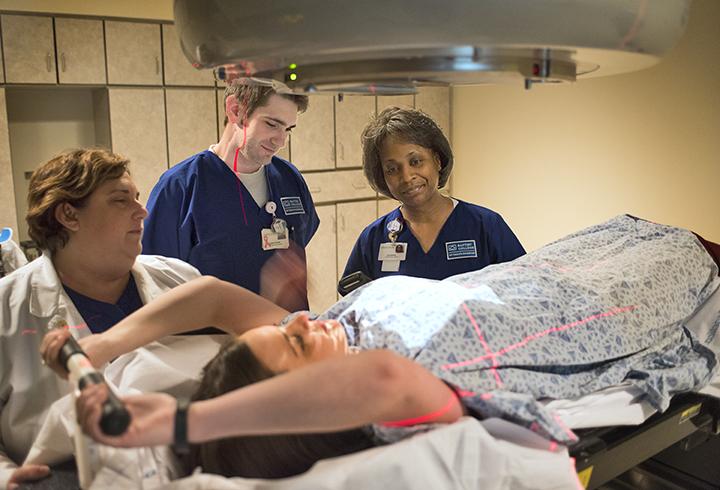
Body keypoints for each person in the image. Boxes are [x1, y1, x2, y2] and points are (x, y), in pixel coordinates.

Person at [43, 215, 720, 480]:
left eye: (285, 332)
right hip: (620, 298)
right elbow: (387, 382)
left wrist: (104, 345)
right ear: (315, 403)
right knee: (682, 251)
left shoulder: (332, 326)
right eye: (296, 348)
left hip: (550, 269)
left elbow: (216, 297)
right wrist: (187, 422)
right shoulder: (388, 399)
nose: (299, 323)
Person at [0, 148, 202, 489]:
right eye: (121, 200)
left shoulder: (180, 280)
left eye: (137, 198)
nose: (143, 211)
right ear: (69, 215)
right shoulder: (7, 307)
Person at [141, 78, 319, 312]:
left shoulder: (289, 179)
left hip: (288, 334)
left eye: (288, 129)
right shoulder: (180, 187)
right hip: (216, 342)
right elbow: (156, 283)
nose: (281, 141)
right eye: (272, 124)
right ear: (236, 110)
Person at [343, 107, 525, 283]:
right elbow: (354, 303)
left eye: (416, 161)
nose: (406, 177)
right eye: (392, 169)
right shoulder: (374, 238)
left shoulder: (485, 226)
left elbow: (524, 289)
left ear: (437, 161)